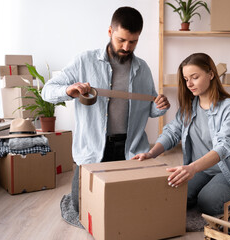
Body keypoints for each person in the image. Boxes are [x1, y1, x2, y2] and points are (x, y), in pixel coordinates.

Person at [41, 6, 170, 218]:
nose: (127, 47)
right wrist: (68, 90)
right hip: (93, 150)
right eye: (121, 40)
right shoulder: (84, 61)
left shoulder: (143, 69)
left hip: (130, 150)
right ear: (110, 32)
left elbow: (151, 109)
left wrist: (159, 106)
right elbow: (47, 91)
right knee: (80, 207)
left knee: (135, 207)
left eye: (133, 41)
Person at [132, 53, 230, 216]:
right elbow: (172, 132)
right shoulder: (189, 106)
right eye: (185, 79)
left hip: (224, 170)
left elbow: (225, 146)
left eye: (194, 77)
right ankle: (204, 190)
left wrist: (191, 168)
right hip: (200, 170)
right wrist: (151, 153)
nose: (189, 83)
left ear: (211, 74)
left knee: (208, 203)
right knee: (172, 193)